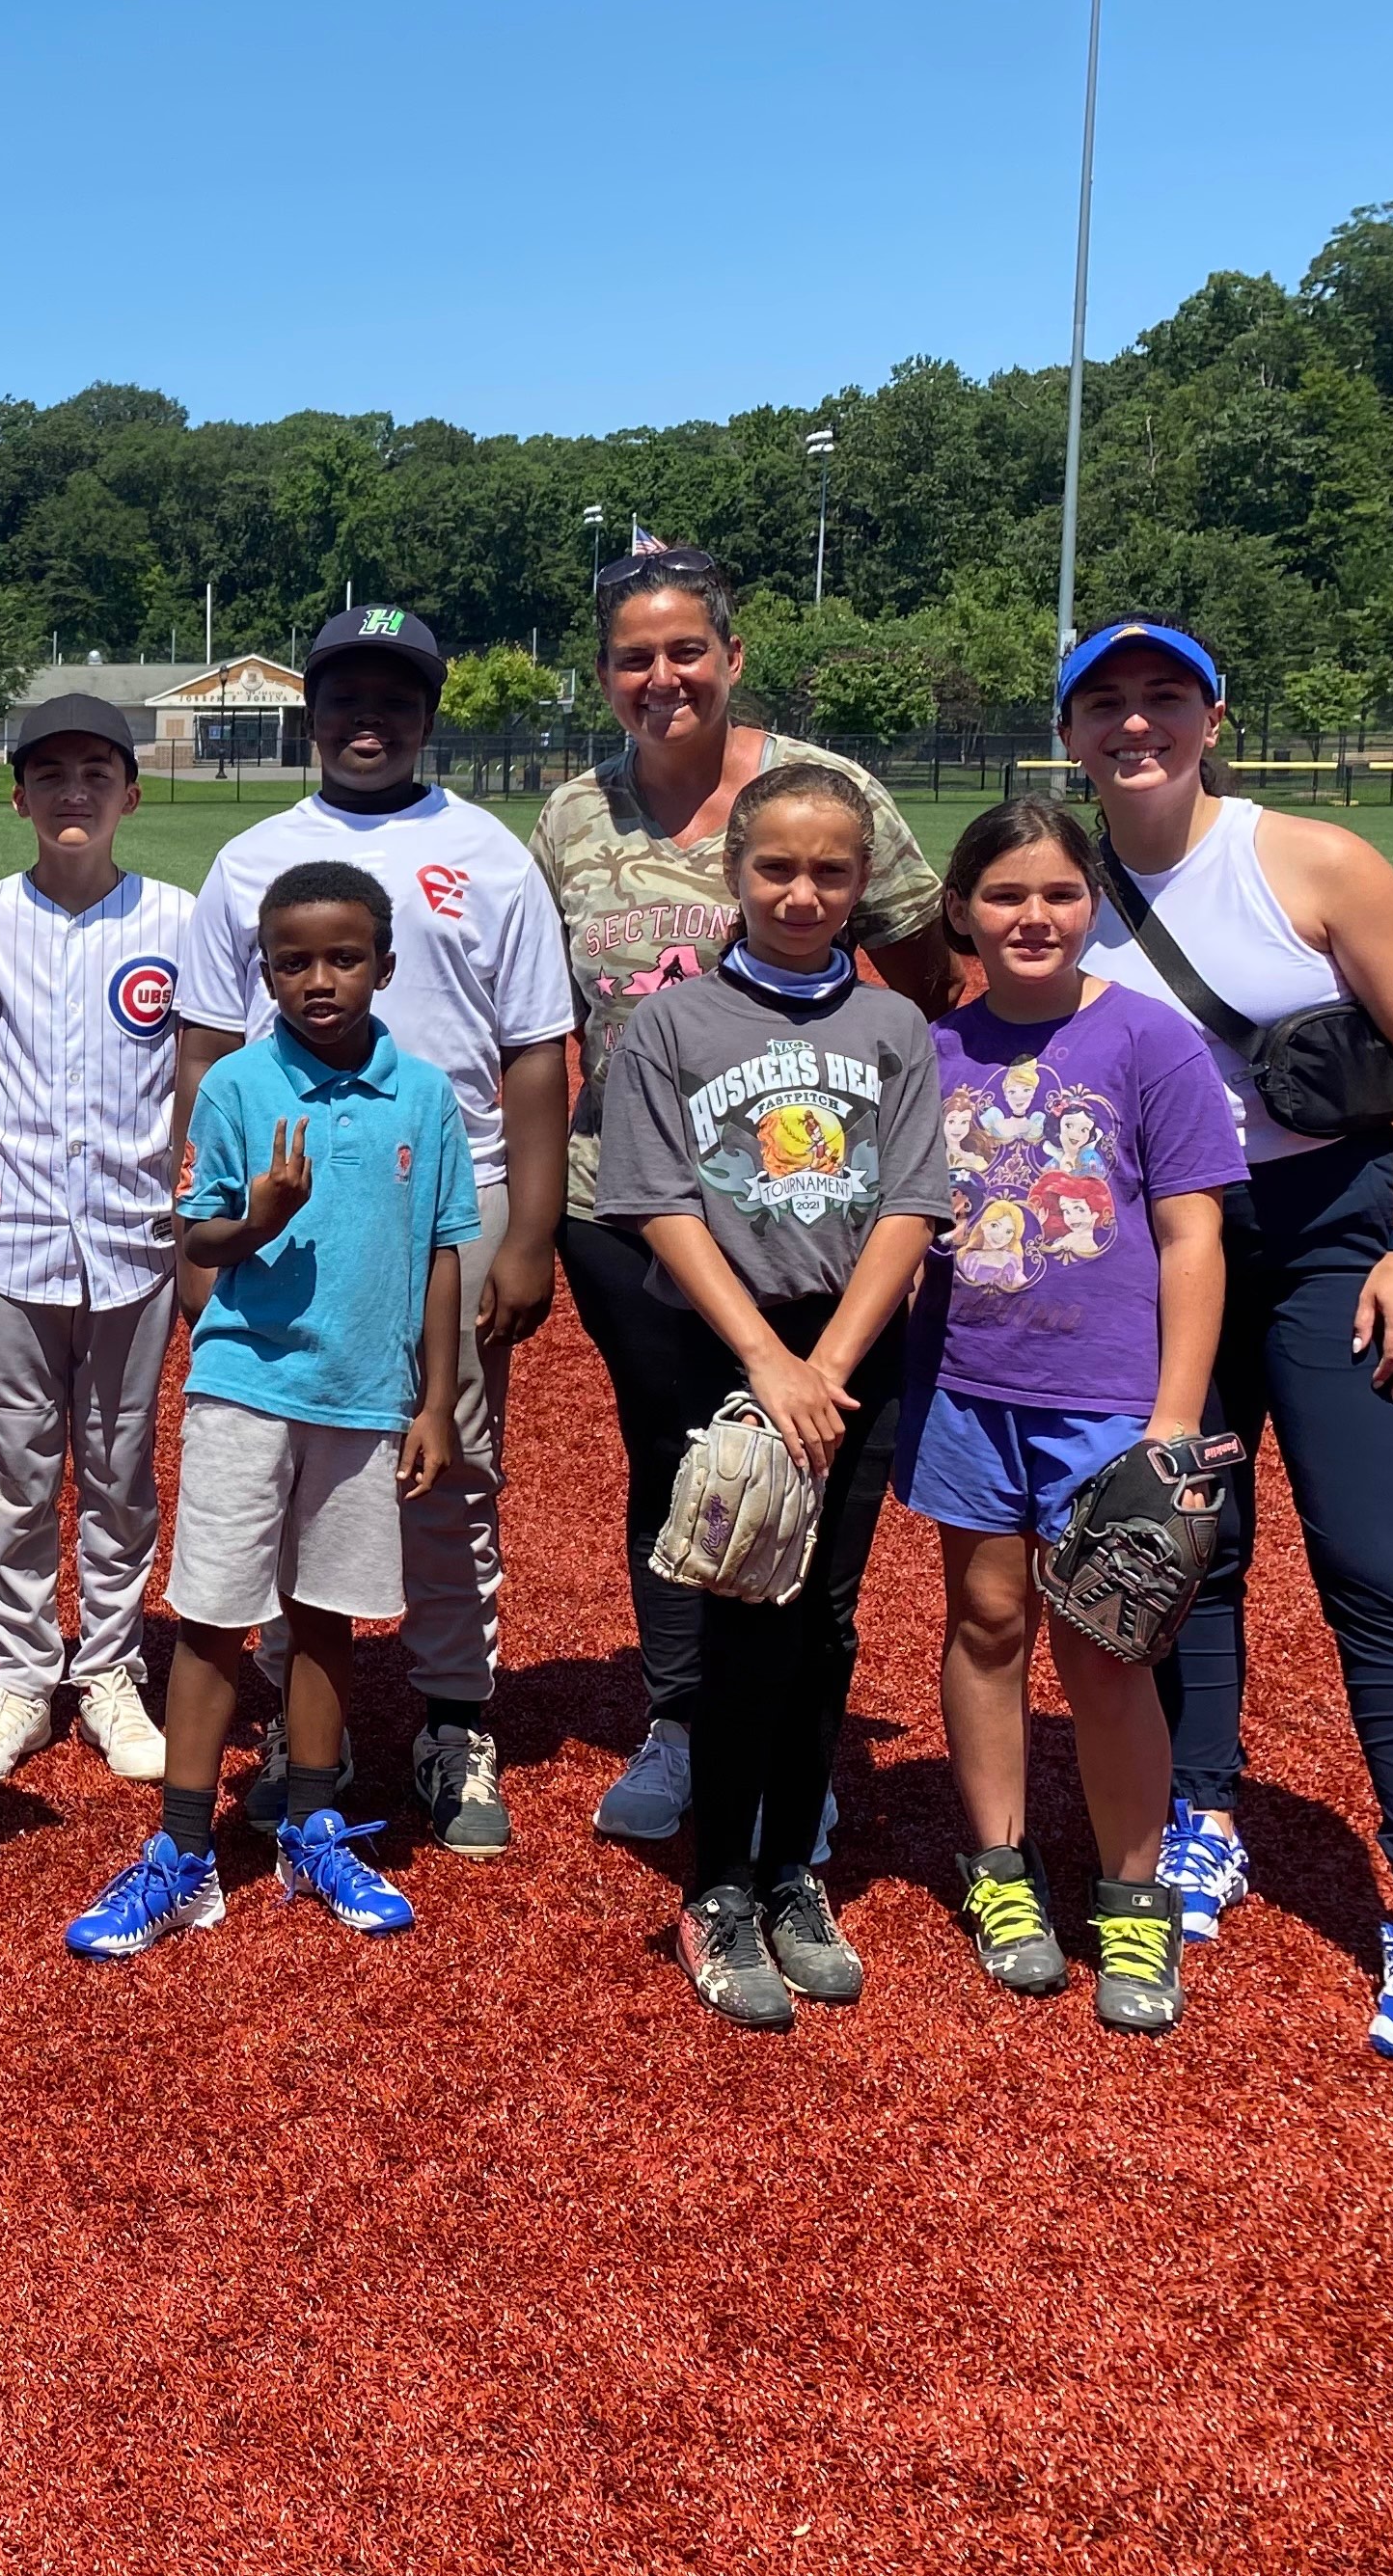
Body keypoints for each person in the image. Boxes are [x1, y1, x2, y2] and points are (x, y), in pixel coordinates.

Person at [1059, 620, 1393, 2069]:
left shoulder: (1310, 862)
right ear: (1068, 735)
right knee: (1190, 1540)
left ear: (1212, 715)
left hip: (1333, 1230)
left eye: (1162, 699)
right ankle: (1202, 1816)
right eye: (1105, 705)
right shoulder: (1070, 886)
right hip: (1170, 1242)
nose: (1136, 726)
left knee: (1381, 1565)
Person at [526, 539, 945, 1848]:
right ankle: (681, 1717)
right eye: (635, 659)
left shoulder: (824, 795)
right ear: (606, 678)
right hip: (624, 1205)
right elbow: (546, 1016)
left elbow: (925, 964)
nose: (663, 677)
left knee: (811, 1455)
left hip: (802, 1206)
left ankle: (789, 1742)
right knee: (677, 1464)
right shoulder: (572, 817)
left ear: (733, 657)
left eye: (686, 651)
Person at [176, 607, 576, 1853]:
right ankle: (316, 1726)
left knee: (447, 1467)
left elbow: (536, 1049)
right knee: (296, 1466)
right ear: (311, 709)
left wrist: (531, 1232)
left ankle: (456, 1714)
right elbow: (203, 1042)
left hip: (445, 1198)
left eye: (394, 697)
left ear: (427, 712)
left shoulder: (489, 852)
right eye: (345, 693)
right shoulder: (254, 857)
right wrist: (227, 1223)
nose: (368, 717)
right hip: (286, 1210)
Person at [594, 764, 952, 2030]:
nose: (804, 894)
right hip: (730, 1346)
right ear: (731, 872)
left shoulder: (892, 1029)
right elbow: (659, 1204)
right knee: (748, 1609)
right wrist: (767, 1362)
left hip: (848, 1352)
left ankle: (794, 1866)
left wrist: (832, 1367)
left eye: (832, 872)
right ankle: (719, 1886)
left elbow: (913, 1202)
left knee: (830, 1623)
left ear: (864, 883)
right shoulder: (677, 1028)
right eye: (777, 868)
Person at [67, 863, 476, 1961]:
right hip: (247, 1384)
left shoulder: (425, 1098)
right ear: (264, 974)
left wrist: (434, 1403)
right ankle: (184, 1851)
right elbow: (193, 1242)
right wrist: (258, 1218)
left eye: (344, 957)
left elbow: (442, 1257)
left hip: (364, 1396)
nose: (321, 979)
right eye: (293, 962)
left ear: (385, 965)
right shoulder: (240, 1089)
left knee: (327, 1616)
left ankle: (310, 1825)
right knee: (211, 1617)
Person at [896, 798, 1242, 2031]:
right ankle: (1000, 1869)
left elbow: (1192, 1231)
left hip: (1106, 1399)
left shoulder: (1150, 1042)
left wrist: (1173, 1420)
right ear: (961, 911)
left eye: (1056, 893)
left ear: (1090, 903)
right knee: (985, 1622)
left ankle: (1134, 1901)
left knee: (1107, 1649)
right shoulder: (933, 1050)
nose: (1031, 917)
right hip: (967, 1388)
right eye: (1004, 896)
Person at [0, 694, 190, 1788]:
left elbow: (207, 1078)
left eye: (95, 771)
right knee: (21, 1470)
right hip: (18, 1236)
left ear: (130, 792)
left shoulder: (180, 920)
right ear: (19, 795)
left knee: (123, 1471)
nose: (72, 790)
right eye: (50, 773)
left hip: (136, 1242)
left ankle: (114, 1670)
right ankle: (23, 1673)